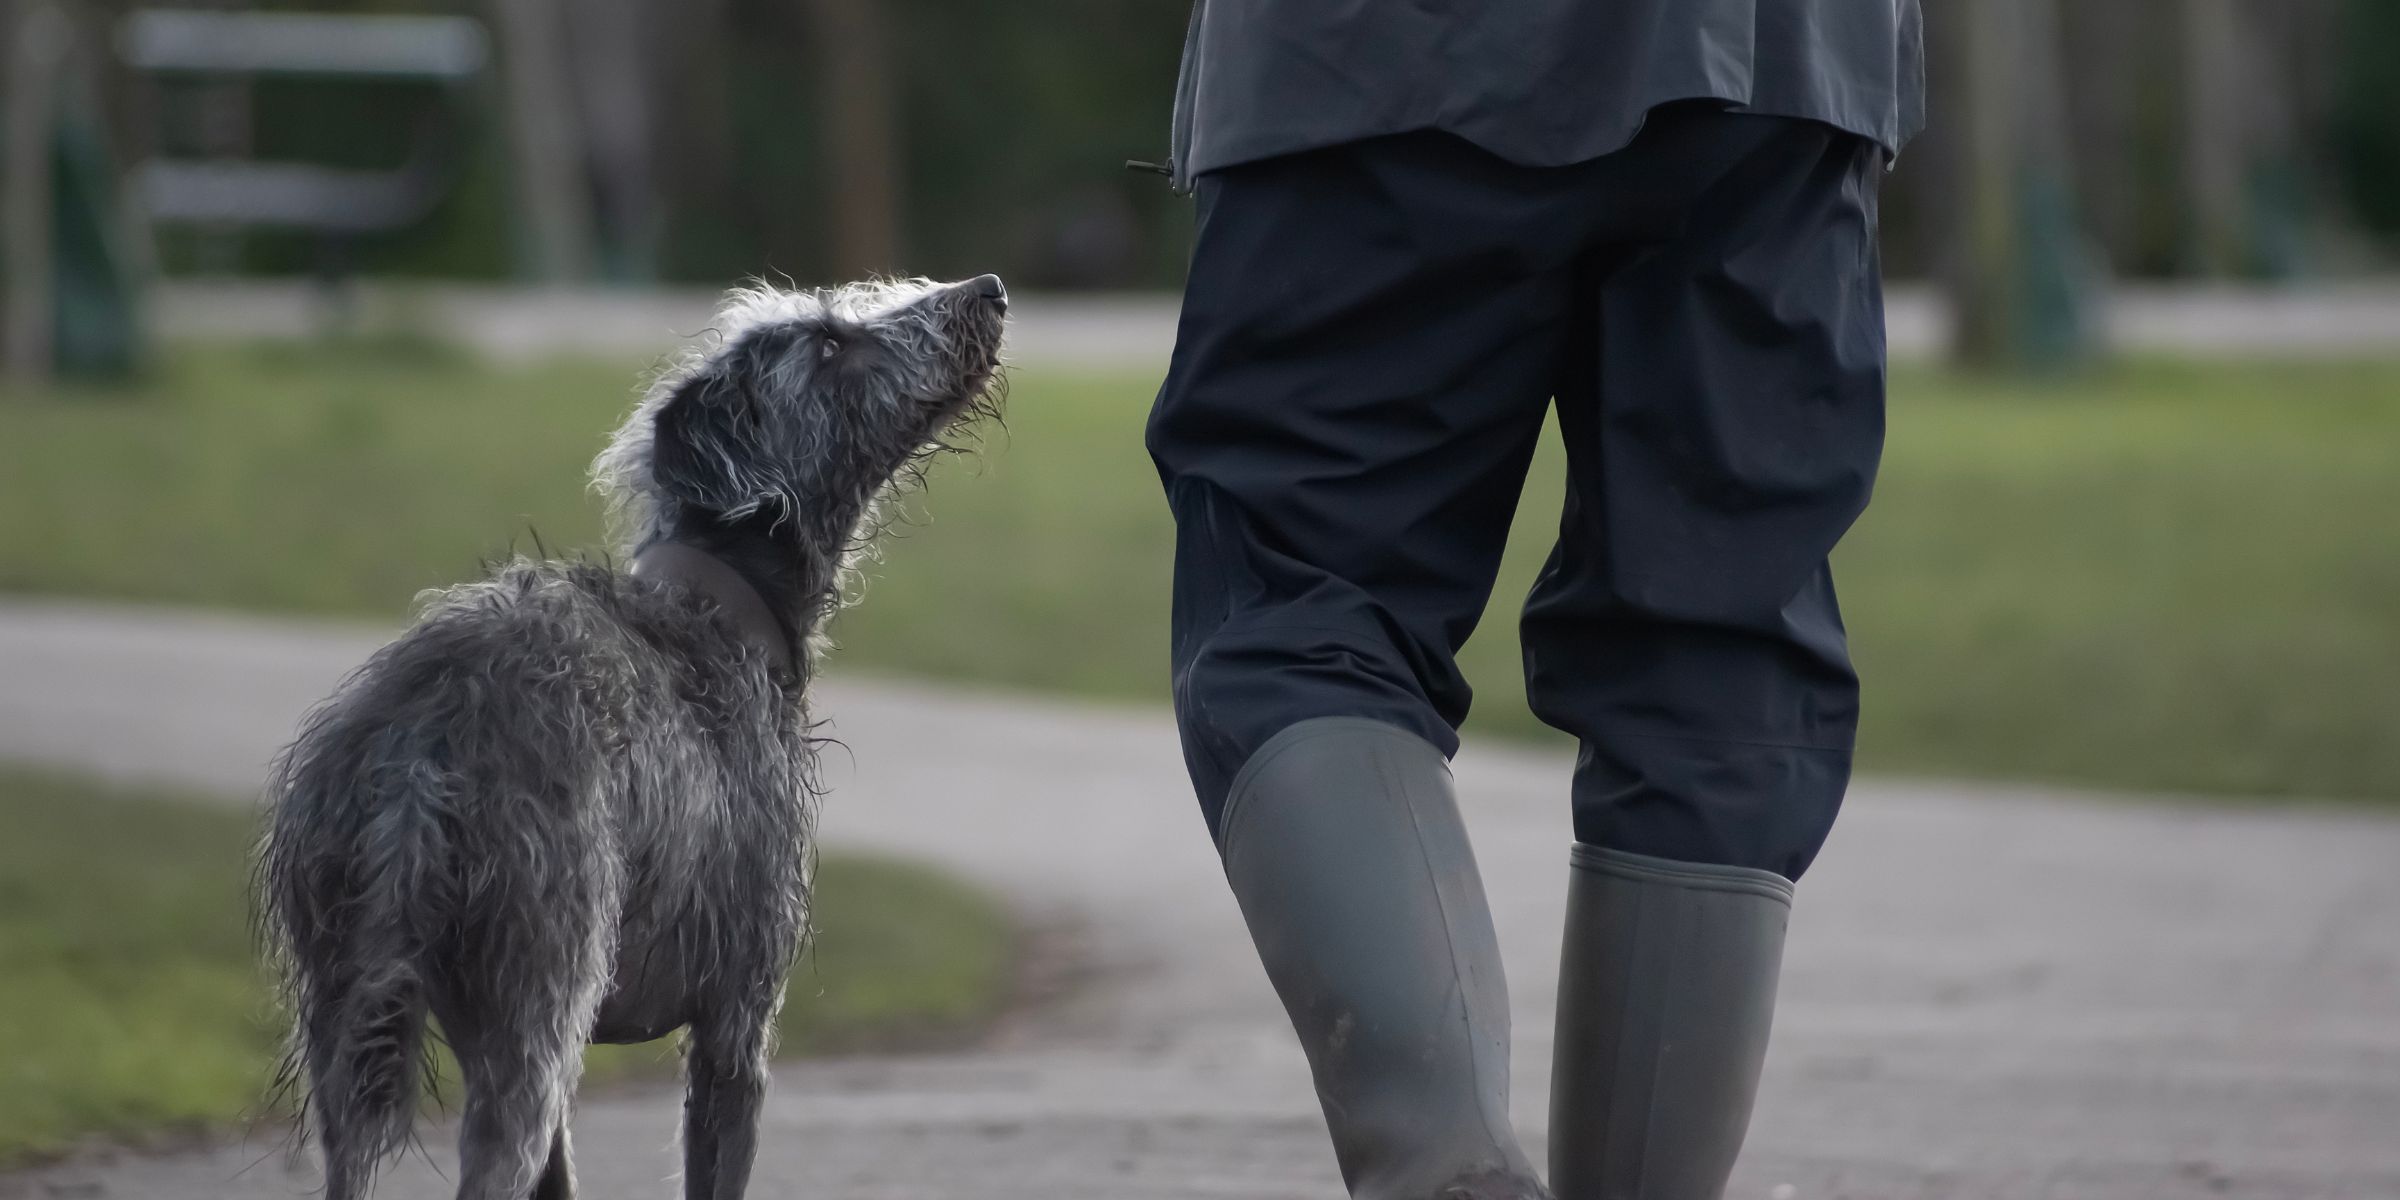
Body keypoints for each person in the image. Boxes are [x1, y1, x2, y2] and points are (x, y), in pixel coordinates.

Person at [1143, 4, 1924, 1199]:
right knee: (1716, 641)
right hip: (1781, 58)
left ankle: (1444, 1167)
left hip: (1376, 57)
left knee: (1306, 592)